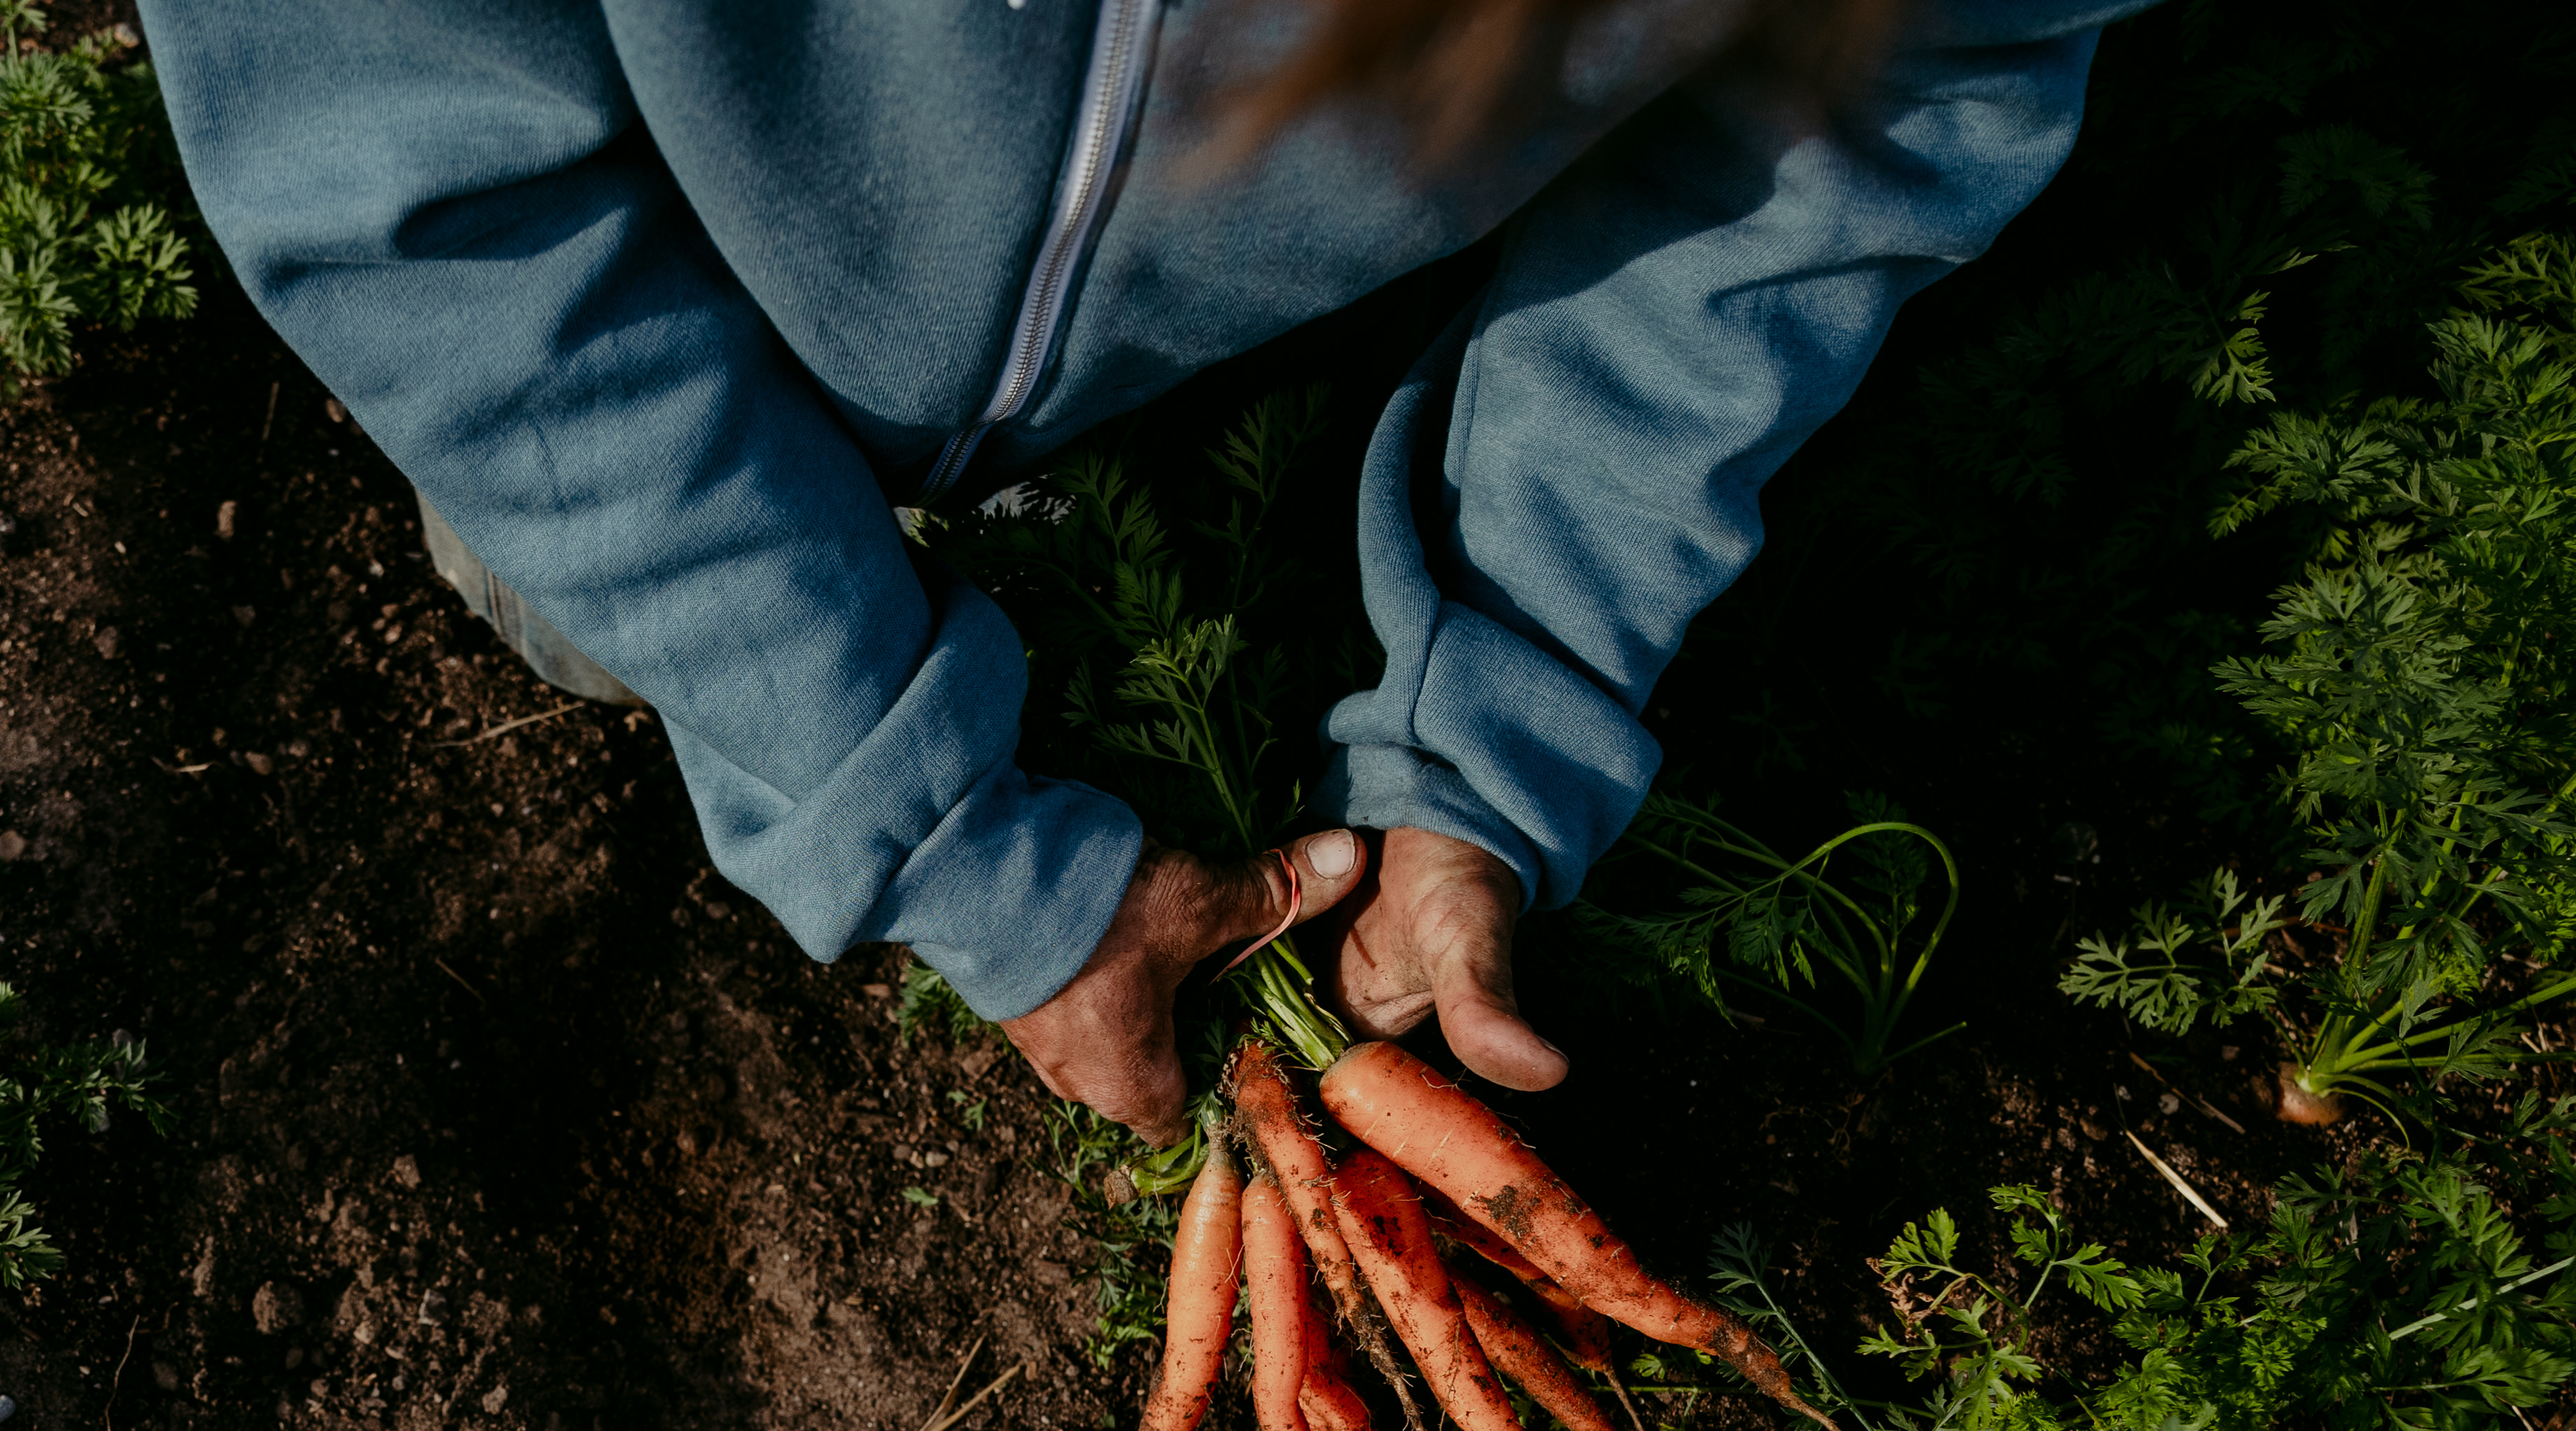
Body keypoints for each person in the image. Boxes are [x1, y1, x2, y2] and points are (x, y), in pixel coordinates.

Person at [136, 0, 2147, 1136]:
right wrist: (941, 835)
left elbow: (1812, 170)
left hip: (1263, 269)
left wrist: (1499, 696)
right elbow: (423, 215)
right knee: (570, 586)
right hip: (687, 255)